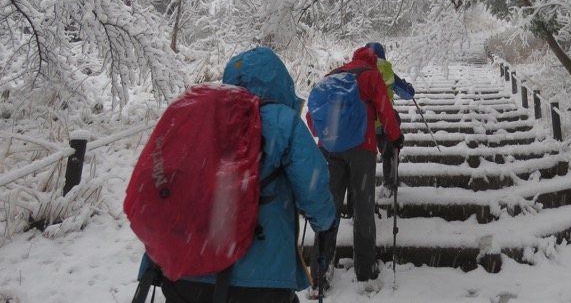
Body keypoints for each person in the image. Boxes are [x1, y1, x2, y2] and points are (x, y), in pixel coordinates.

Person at [140, 47, 337, 303]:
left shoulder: (199, 117)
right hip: (260, 278)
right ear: (280, 82)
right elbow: (314, 188)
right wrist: (326, 224)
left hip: (186, 272)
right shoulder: (283, 121)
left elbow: (168, 187)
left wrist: (153, 261)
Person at [306, 46, 403, 294]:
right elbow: (385, 110)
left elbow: (312, 117)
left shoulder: (333, 76)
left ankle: (319, 271)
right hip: (363, 148)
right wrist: (395, 137)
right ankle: (365, 268)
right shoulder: (372, 75)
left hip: (330, 149)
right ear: (374, 60)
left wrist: (327, 137)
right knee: (362, 209)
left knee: (330, 209)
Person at [363, 42, 415, 197]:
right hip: (386, 123)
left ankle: (364, 186)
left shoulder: (359, 71)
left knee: (365, 157)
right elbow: (408, 94)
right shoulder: (388, 71)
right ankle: (390, 184)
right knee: (389, 153)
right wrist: (407, 85)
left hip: (366, 124)